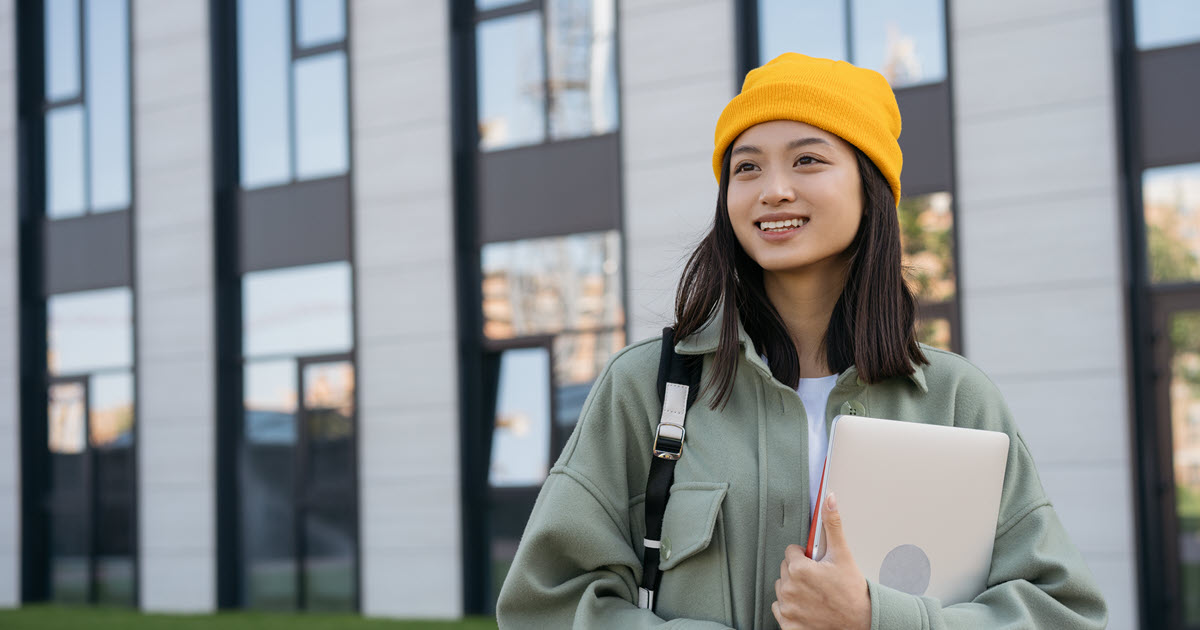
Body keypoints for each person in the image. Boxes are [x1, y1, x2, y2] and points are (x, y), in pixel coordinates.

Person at [496, 52, 1108, 629]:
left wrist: (878, 618)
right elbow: (544, 604)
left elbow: (1062, 612)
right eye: (747, 167)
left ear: (870, 189)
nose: (773, 189)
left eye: (808, 160)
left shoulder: (958, 400)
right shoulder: (647, 388)